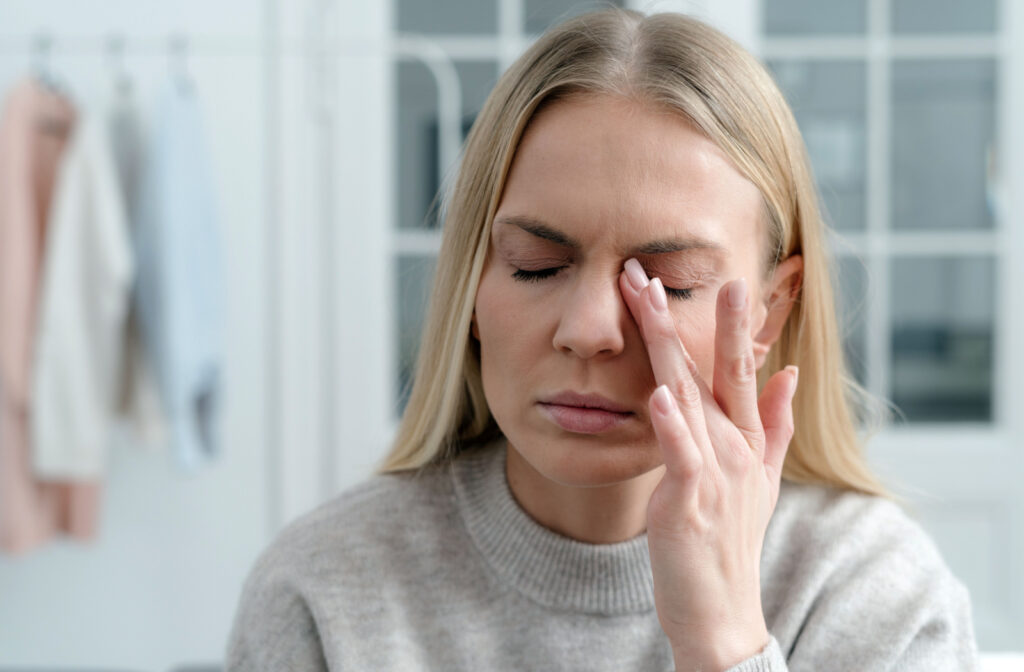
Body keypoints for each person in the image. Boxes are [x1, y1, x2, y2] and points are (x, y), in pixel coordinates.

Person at [226, 8, 978, 670]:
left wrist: (724, 643)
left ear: (770, 312)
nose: (588, 331)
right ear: (473, 288)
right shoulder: (321, 591)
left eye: (669, 283)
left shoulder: (874, 593)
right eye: (535, 265)